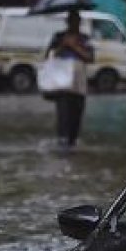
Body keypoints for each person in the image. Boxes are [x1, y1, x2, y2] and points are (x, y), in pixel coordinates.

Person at [46, 10, 95, 149]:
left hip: (79, 86)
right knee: (63, 118)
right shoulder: (58, 37)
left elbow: (90, 58)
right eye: (72, 21)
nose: (75, 24)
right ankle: (62, 144)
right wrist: (63, 45)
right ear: (67, 22)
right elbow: (49, 55)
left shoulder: (84, 38)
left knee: (76, 119)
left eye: (77, 21)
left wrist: (74, 46)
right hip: (62, 86)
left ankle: (72, 144)